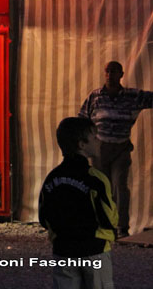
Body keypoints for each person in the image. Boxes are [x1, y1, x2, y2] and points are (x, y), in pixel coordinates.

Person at [39, 117, 117, 289]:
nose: (99, 141)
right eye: (95, 137)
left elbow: (44, 218)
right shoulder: (96, 178)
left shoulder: (52, 178)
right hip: (94, 251)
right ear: (82, 145)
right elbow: (109, 218)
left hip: (63, 251)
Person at [78, 60, 152, 237]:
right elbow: (82, 118)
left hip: (121, 148)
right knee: (102, 187)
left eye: (114, 72)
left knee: (120, 187)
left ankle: (122, 227)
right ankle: (103, 225)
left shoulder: (132, 96)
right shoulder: (95, 96)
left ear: (121, 75)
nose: (110, 75)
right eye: (108, 72)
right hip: (99, 149)